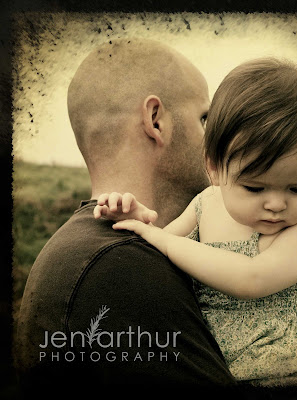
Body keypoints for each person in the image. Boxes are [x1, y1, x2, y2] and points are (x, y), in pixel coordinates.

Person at [94, 58, 297, 399]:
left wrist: (162, 239)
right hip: (220, 369)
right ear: (215, 167)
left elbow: (250, 279)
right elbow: (157, 255)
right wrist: (139, 219)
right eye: (254, 187)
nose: (276, 204)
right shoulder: (206, 204)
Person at [15, 38, 242, 395]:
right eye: (204, 118)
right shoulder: (121, 268)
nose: (217, 141)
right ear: (156, 121)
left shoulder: (85, 250)